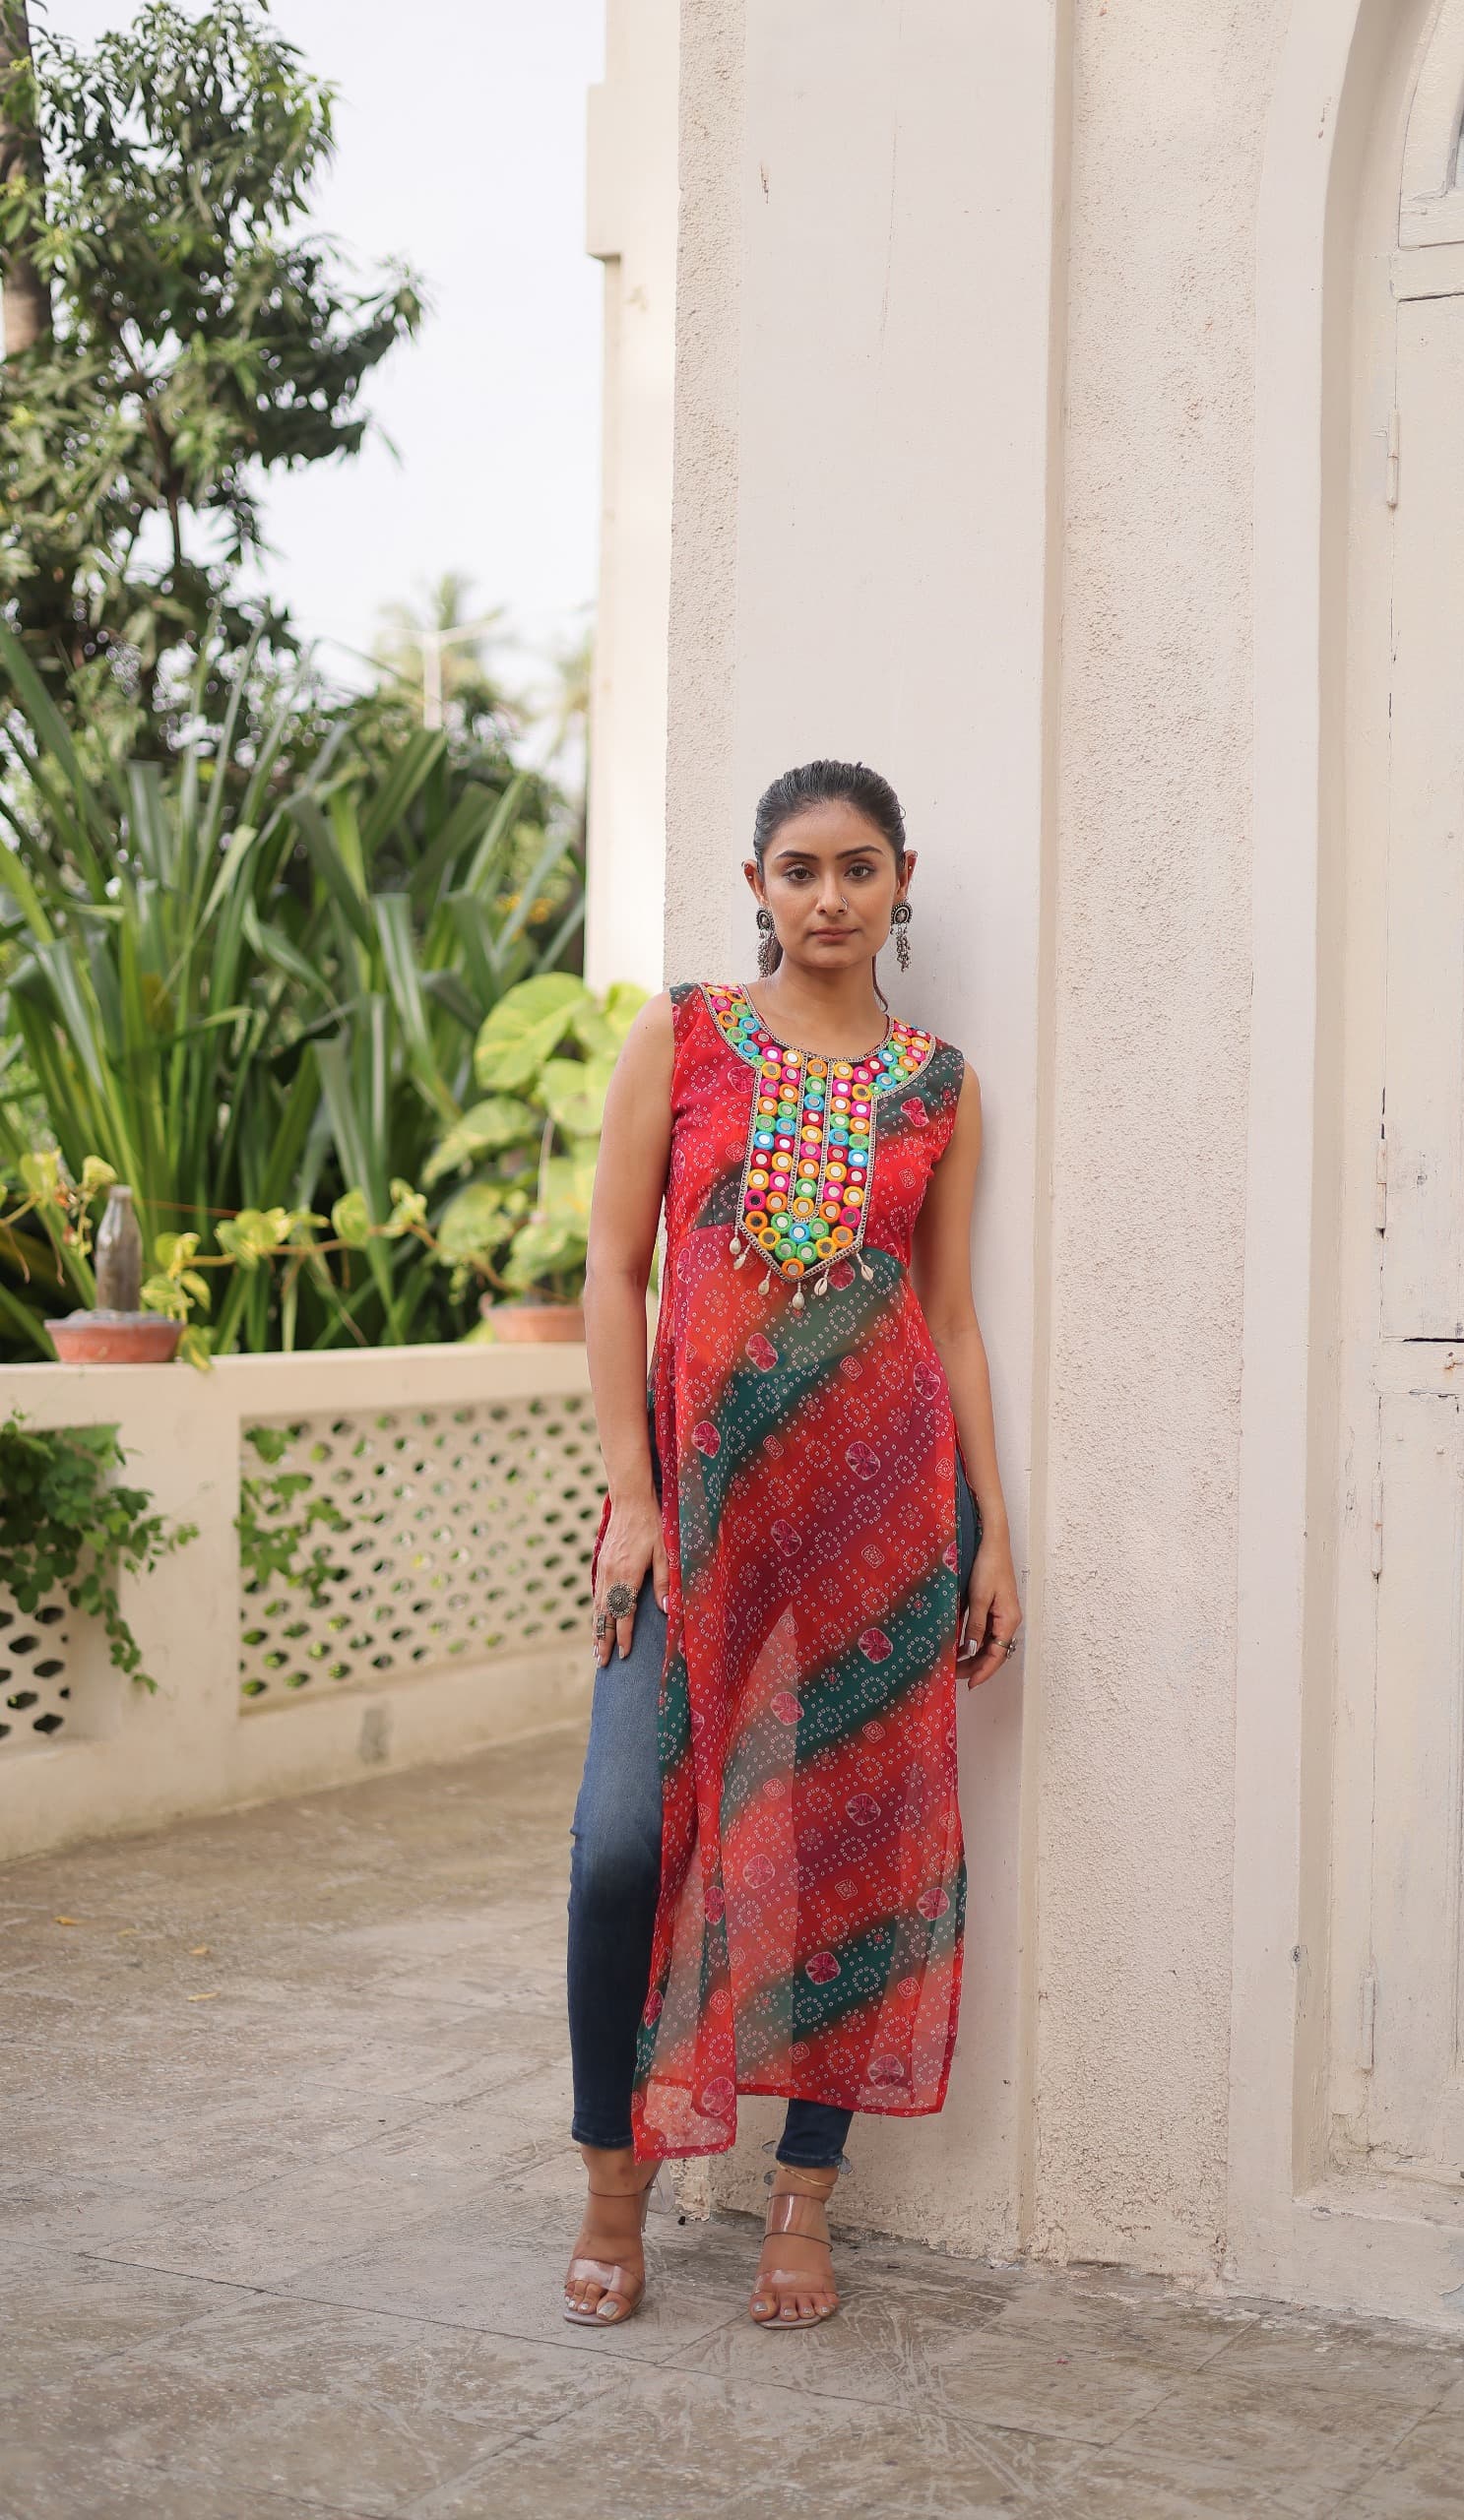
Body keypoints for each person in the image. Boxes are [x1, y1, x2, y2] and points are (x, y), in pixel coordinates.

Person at [565, 759, 1022, 2331]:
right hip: (690, 1526)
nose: (831, 897)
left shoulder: (938, 1086)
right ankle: (611, 2185)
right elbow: (612, 1267)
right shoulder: (686, 1034)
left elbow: (947, 1317)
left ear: (904, 882)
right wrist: (633, 1498)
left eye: (859, 868)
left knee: (848, 1856)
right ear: (755, 884)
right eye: (801, 869)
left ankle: (802, 2201)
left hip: (881, 1527)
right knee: (623, 1845)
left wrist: (993, 1535)